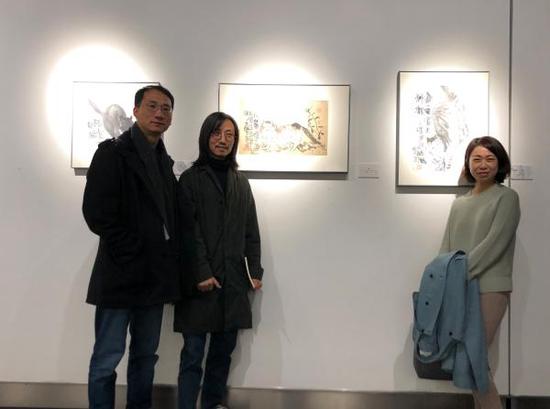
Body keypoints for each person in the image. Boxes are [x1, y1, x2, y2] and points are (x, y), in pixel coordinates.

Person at [83, 85, 181, 409]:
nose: (159, 113)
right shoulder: (112, 153)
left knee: (145, 357)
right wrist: (132, 251)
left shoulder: (164, 162)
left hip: (153, 279)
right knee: (106, 358)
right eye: (152, 106)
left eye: (166, 108)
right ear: (135, 110)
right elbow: (96, 213)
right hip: (120, 274)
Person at [175, 112, 263, 409]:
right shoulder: (190, 180)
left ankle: (211, 404)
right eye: (217, 133)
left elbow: (251, 231)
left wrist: (255, 271)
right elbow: (187, 232)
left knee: (222, 355)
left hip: (233, 283)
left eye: (229, 135)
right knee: (192, 355)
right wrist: (201, 272)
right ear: (205, 137)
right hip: (199, 285)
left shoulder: (241, 182)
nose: (223, 140)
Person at [440, 136, 520, 409]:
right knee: (468, 358)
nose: (482, 165)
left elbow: (495, 243)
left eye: (489, 159)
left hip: (490, 286)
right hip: (458, 284)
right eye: (476, 159)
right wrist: (441, 277)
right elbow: (446, 246)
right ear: (468, 164)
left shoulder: (507, 197)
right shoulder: (459, 203)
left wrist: (458, 272)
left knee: (472, 356)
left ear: (500, 164)